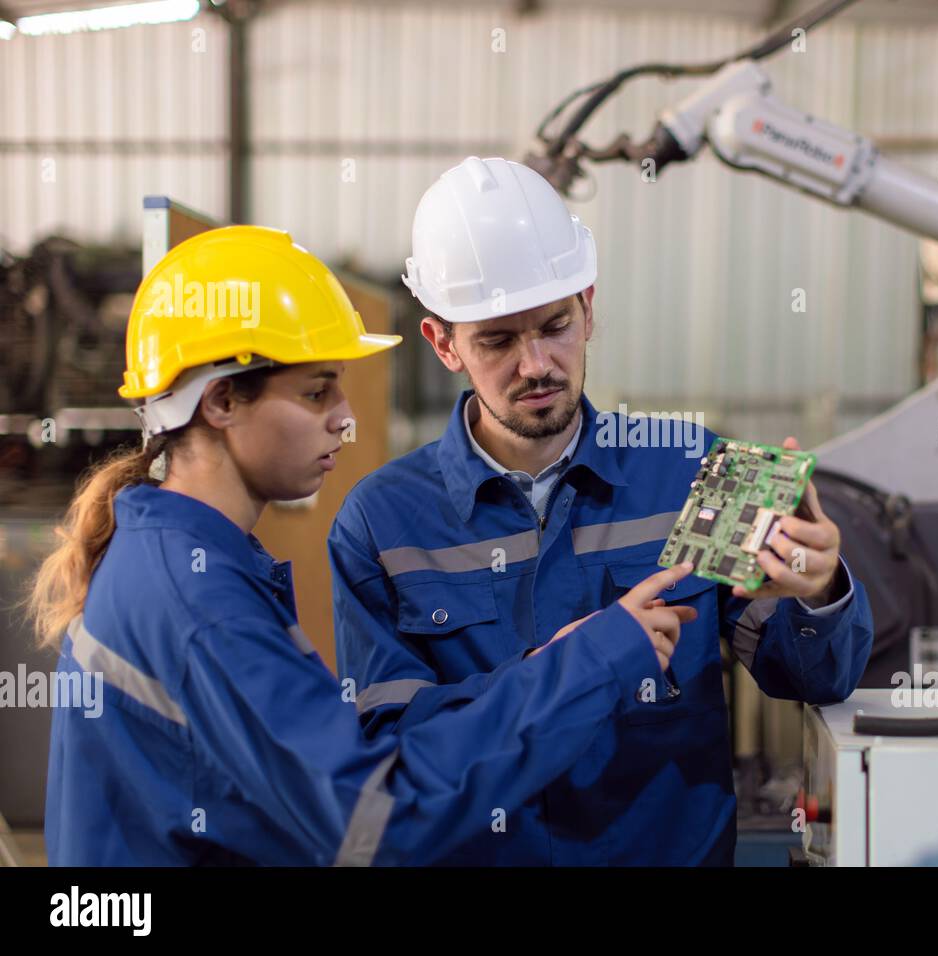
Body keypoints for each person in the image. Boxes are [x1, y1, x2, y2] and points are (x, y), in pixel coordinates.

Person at [30, 224, 690, 865]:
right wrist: (594, 664)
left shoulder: (176, 558)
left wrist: (554, 667)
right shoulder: (201, 599)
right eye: (317, 391)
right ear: (222, 400)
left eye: (554, 326)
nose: (345, 417)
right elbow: (373, 819)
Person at [330, 157, 874, 866]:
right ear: (444, 344)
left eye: (554, 324)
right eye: (496, 339)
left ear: (588, 306)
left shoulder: (696, 467)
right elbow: (391, 752)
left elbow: (813, 680)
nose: (535, 364)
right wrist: (567, 667)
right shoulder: (381, 522)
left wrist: (821, 593)